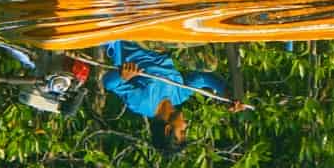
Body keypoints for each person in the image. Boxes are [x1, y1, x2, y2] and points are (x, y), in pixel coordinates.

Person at [99, 41, 240, 153]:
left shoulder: (142, 104)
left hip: (140, 41)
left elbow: (108, 83)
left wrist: (122, 76)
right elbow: (204, 79)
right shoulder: (179, 96)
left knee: (188, 38)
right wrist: (226, 93)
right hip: (163, 43)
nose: (186, 124)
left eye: (183, 130)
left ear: (167, 129)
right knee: (209, 63)